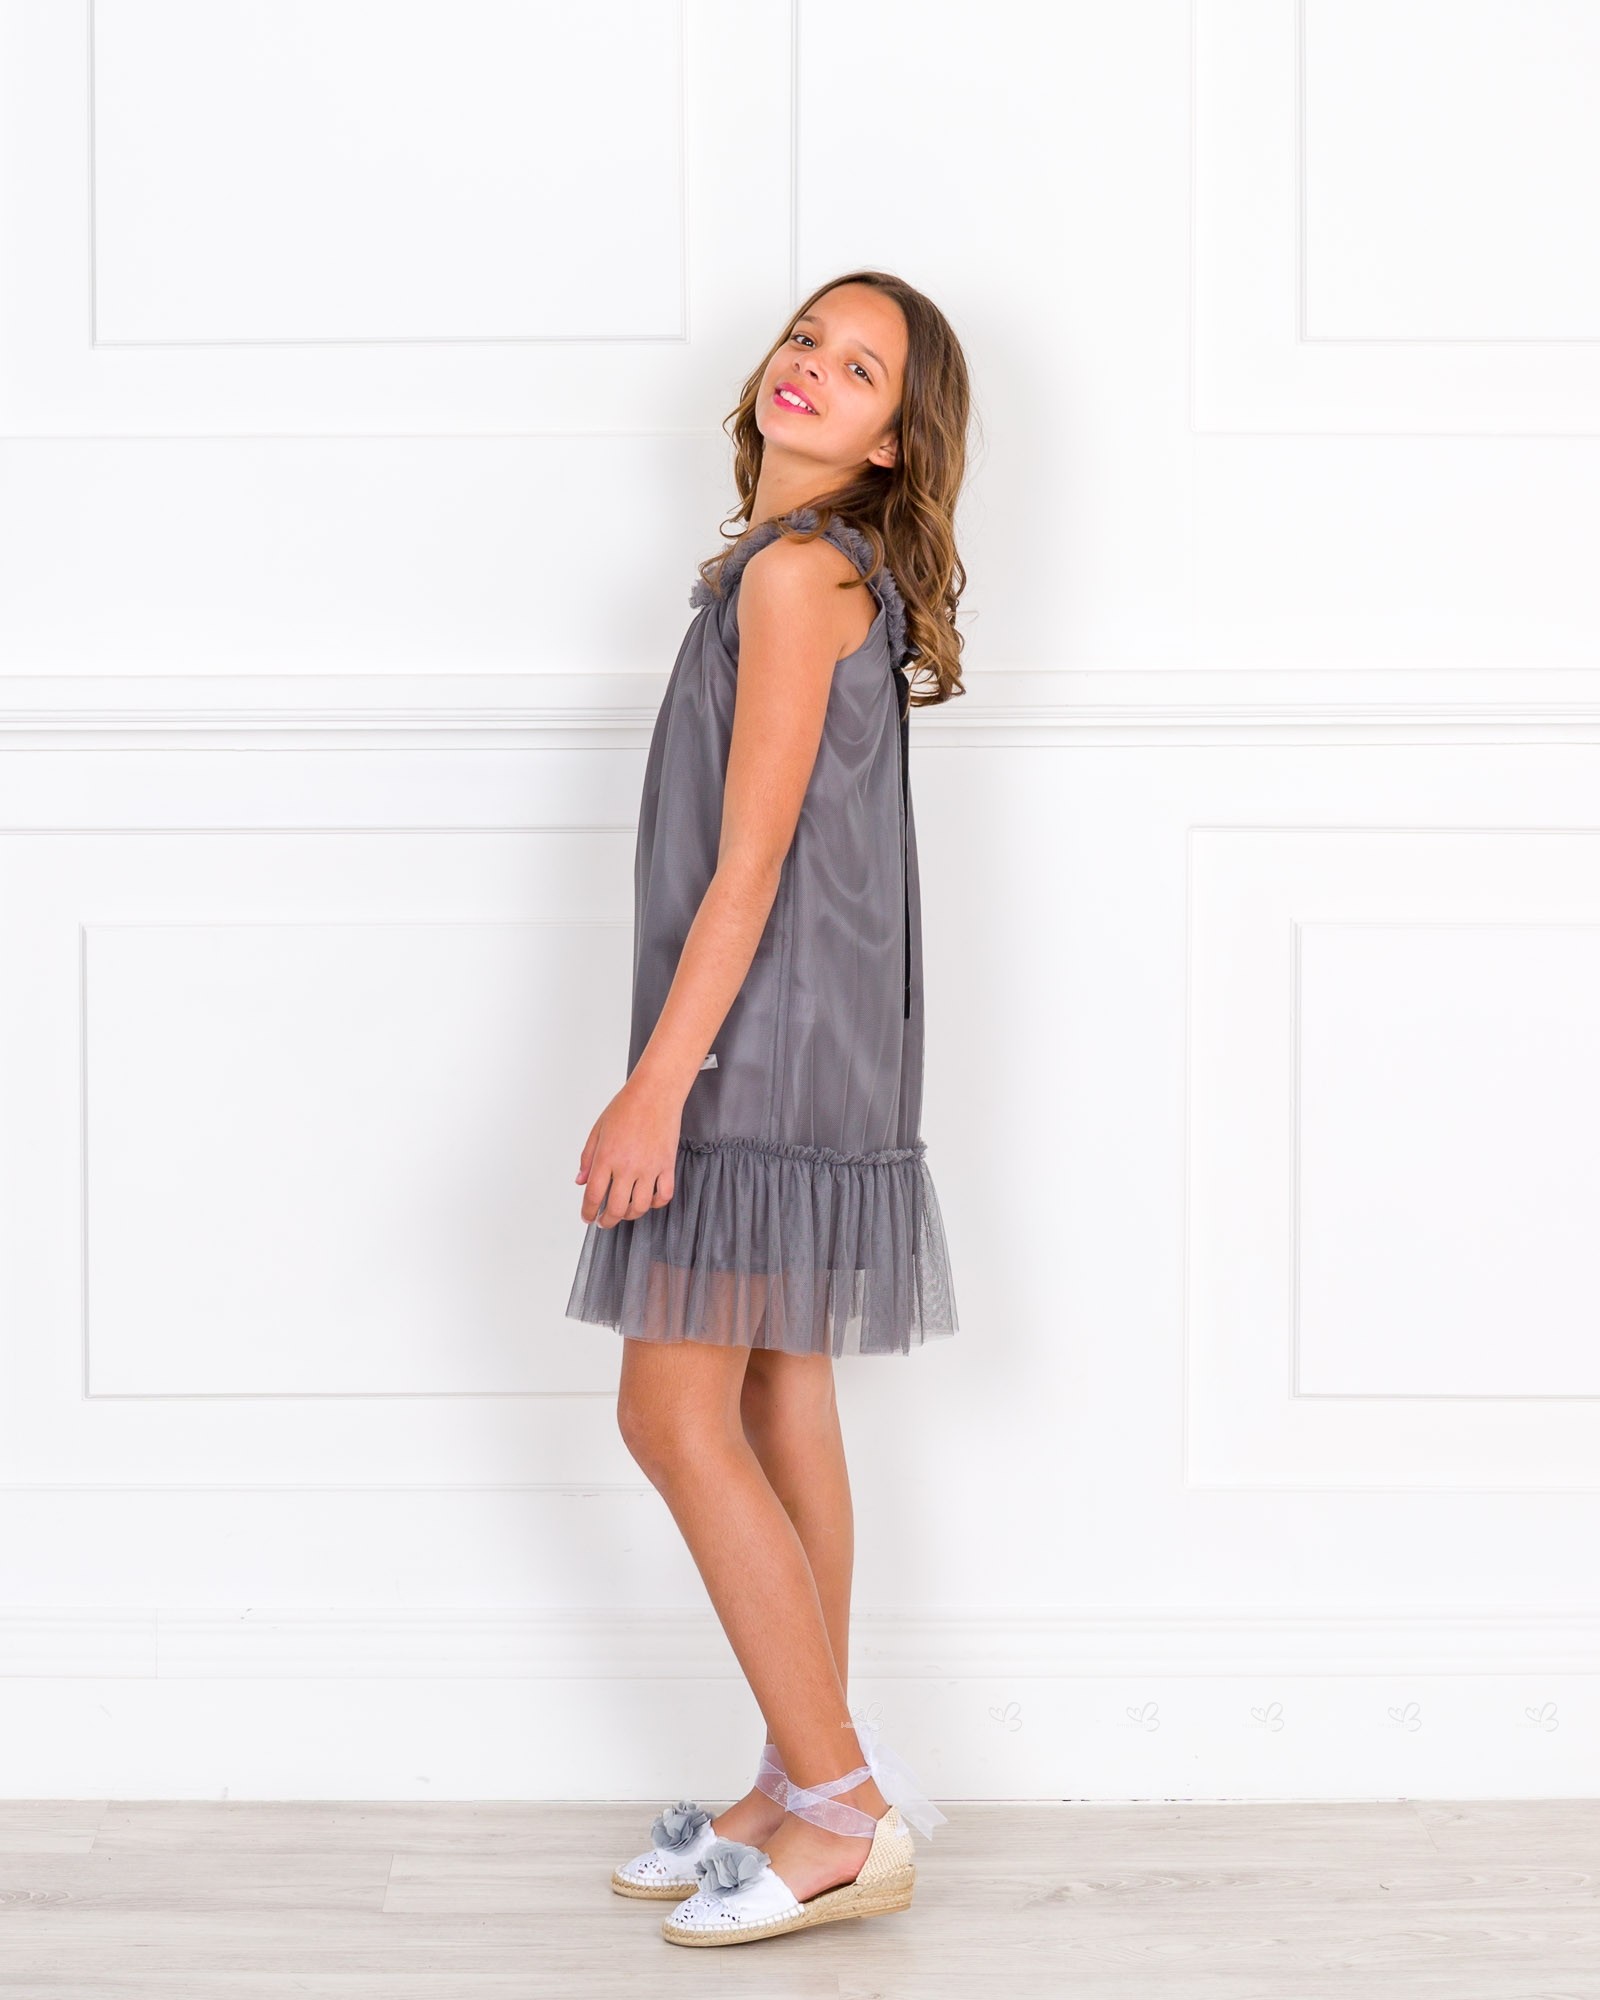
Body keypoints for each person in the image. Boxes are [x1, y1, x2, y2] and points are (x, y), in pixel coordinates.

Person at [565, 271, 970, 1946]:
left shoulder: (800, 577)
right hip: (819, 1029)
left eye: (860, 368)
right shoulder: (802, 566)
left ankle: (843, 1806)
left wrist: (656, 1085)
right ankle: (796, 1783)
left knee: (671, 1415)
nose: (812, 367)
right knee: (780, 1390)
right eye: (809, 337)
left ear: (892, 443)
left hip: (762, 1039)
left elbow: (751, 864)